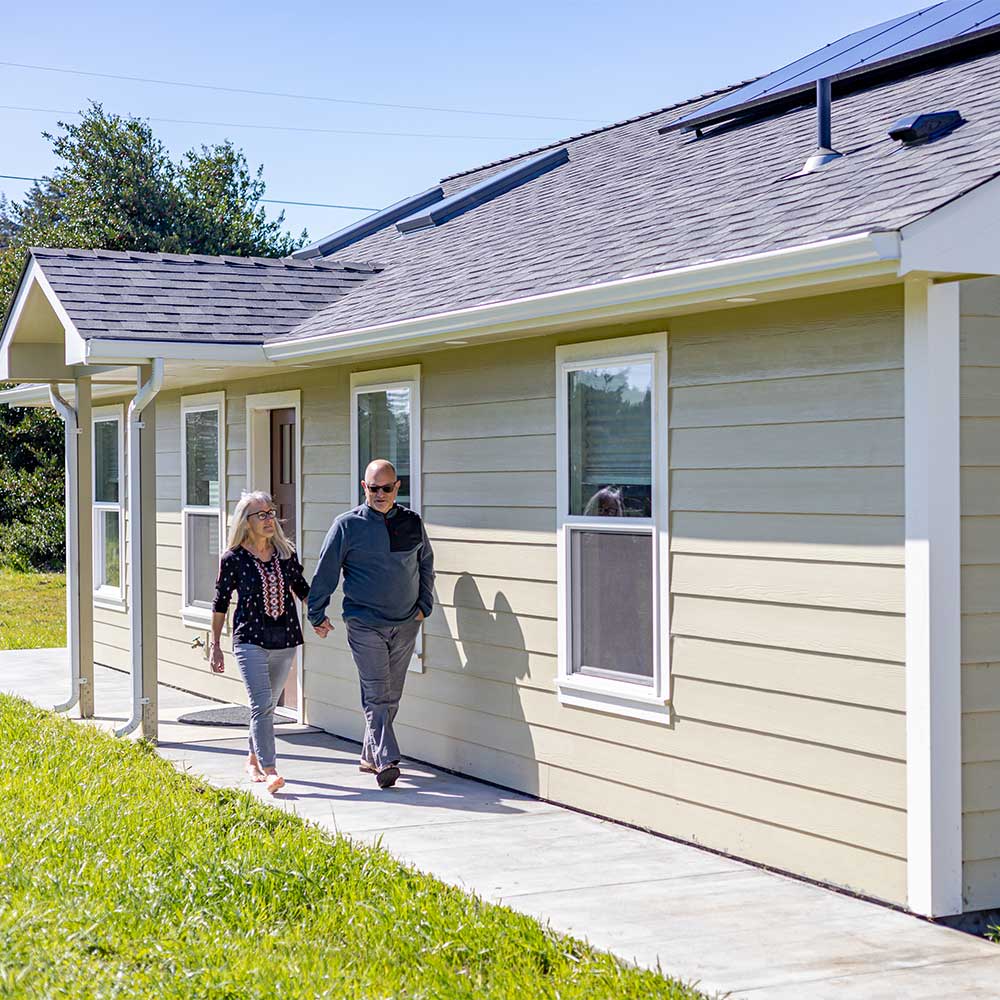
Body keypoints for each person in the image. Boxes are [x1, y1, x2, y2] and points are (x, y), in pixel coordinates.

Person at [308, 459, 435, 789]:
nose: (380, 494)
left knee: (391, 696)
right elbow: (326, 571)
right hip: (364, 622)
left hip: (407, 621)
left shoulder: (412, 522)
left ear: (397, 487)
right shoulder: (347, 525)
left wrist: (424, 606)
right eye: (373, 488)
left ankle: (369, 755)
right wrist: (317, 613)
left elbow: (426, 565)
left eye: (387, 488)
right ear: (364, 487)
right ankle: (388, 759)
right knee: (377, 694)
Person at [209, 490, 310, 795]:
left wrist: (319, 616)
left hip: (285, 639)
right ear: (246, 522)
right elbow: (221, 603)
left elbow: (302, 589)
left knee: (265, 707)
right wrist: (214, 644)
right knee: (262, 705)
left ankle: (252, 759)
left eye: (270, 513)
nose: (268, 519)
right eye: (261, 515)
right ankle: (270, 770)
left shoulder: (285, 553)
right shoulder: (234, 558)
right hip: (249, 640)